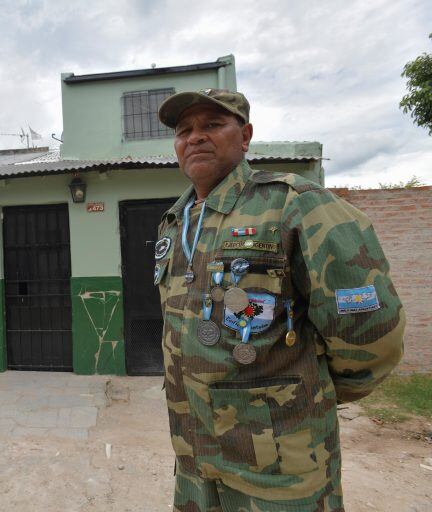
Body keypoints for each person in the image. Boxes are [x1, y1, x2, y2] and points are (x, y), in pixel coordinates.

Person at [153, 88, 405, 512]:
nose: (195, 137)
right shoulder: (174, 222)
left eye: (212, 125)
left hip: (279, 472)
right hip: (196, 459)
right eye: (184, 130)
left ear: (246, 135)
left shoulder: (295, 204)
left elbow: (371, 338)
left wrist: (309, 394)